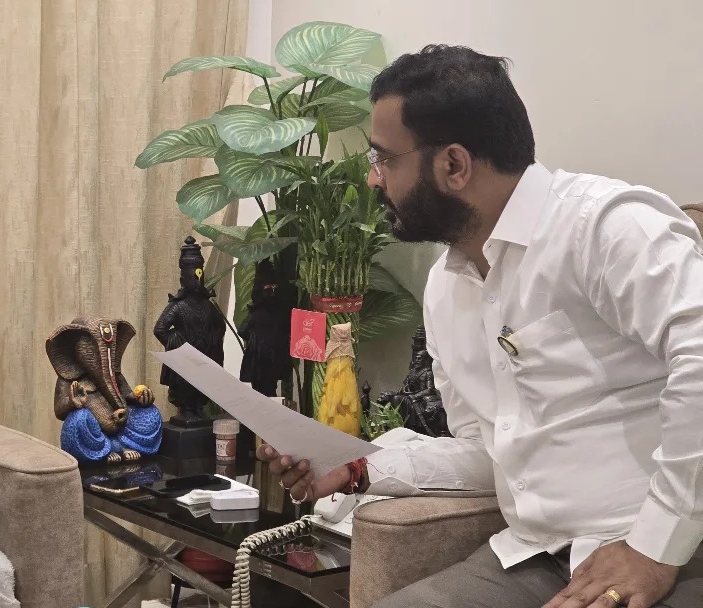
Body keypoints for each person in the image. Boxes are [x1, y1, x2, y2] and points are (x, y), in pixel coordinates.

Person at [258, 45, 703, 608]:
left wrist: (655, 548)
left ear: (454, 165)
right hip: (534, 555)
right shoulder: (446, 287)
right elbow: (487, 453)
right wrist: (357, 468)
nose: (373, 180)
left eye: (384, 159)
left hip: (670, 550)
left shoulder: (607, 228)